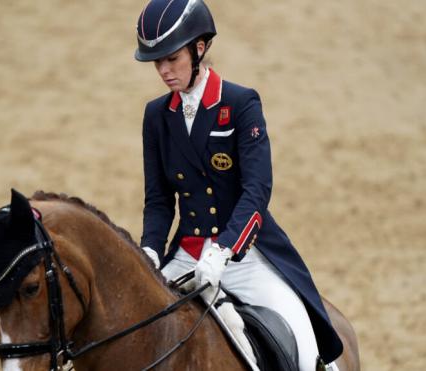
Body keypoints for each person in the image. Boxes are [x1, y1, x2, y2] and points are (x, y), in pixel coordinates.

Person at [135, 1, 343, 370]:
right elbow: (159, 200)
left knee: (304, 343)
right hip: (186, 253)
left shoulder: (240, 103)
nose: (164, 71)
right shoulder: (156, 115)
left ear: (199, 49)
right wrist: (150, 251)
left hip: (243, 255)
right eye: (157, 62)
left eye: (172, 59)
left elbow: (257, 190)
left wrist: (224, 250)